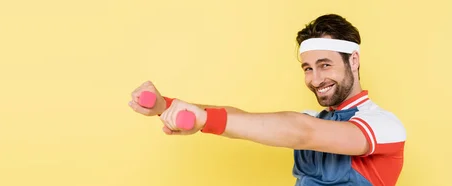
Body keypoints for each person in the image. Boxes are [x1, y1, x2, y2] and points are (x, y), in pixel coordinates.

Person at [128, 14, 406, 186]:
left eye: (325, 65)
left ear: (353, 60)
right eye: (308, 68)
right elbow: (245, 117)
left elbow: (302, 132)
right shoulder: (313, 118)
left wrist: (205, 119)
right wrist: (167, 106)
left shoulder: (383, 126)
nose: (316, 79)